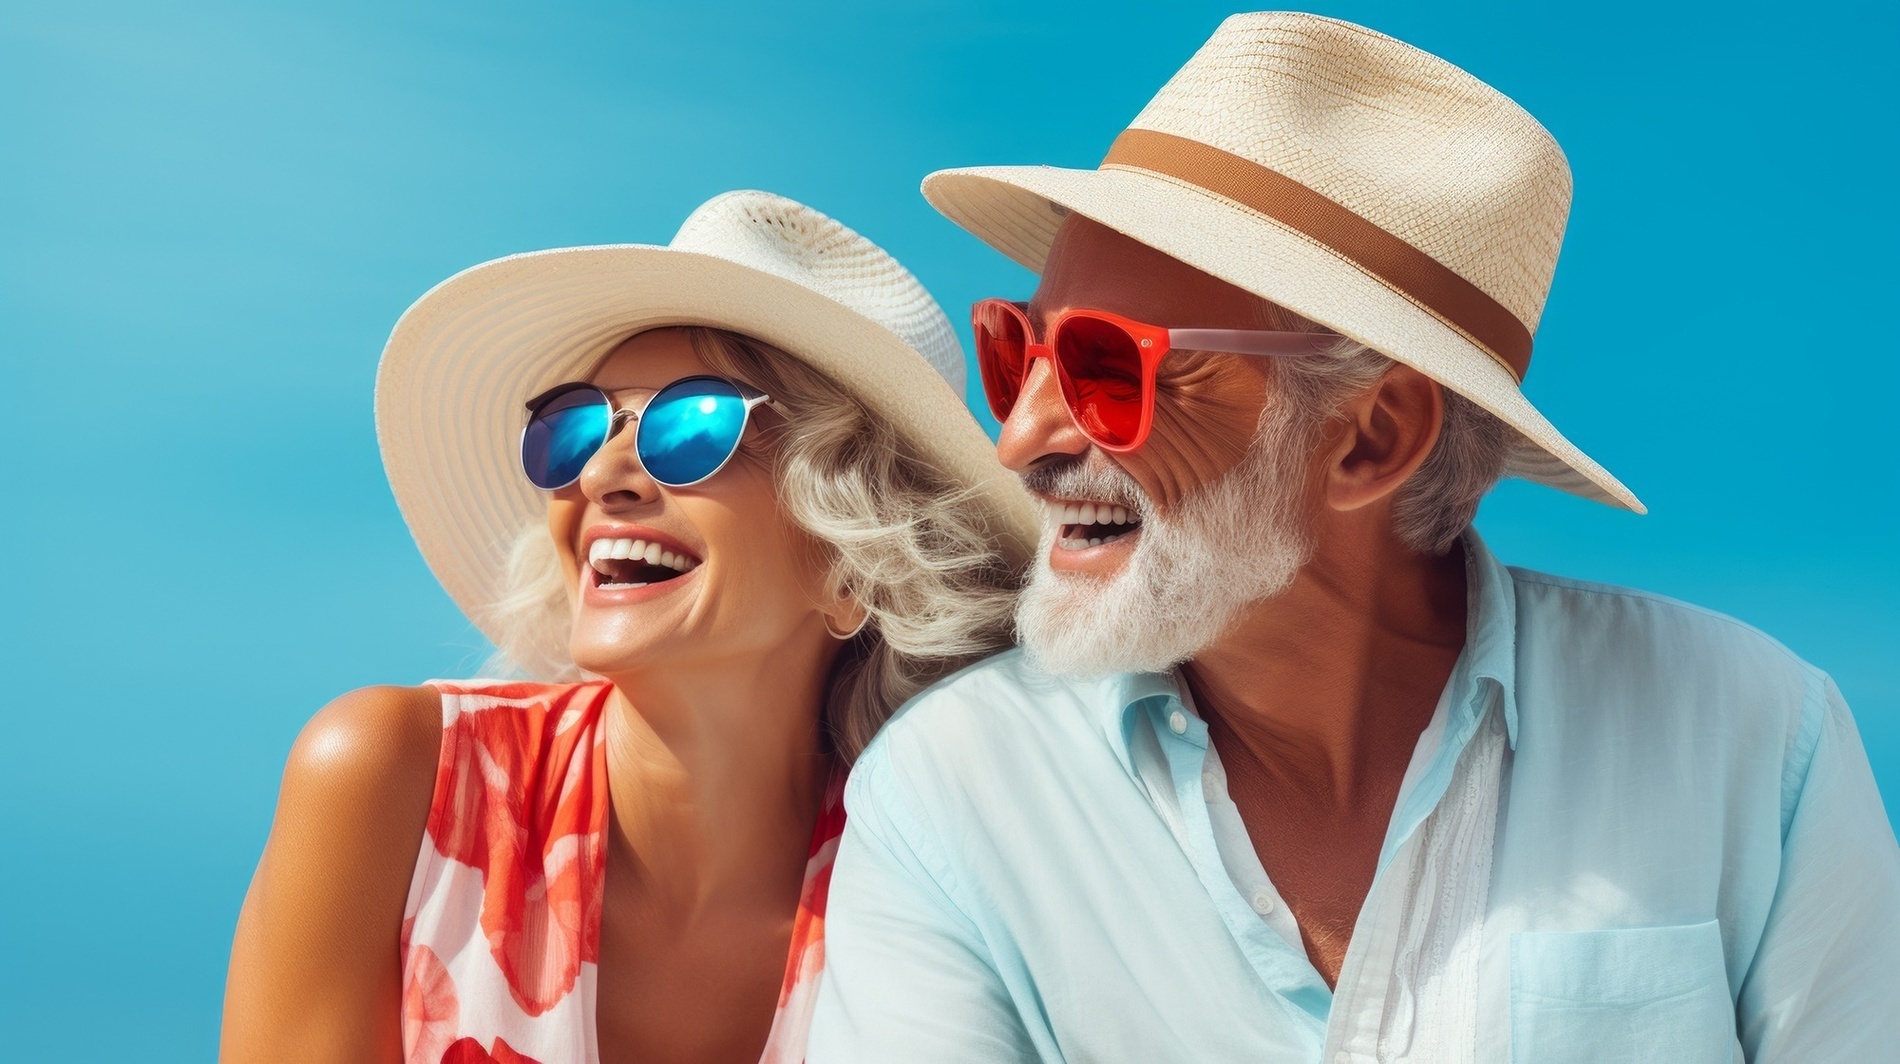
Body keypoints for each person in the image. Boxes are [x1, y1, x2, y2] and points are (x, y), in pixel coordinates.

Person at [809, 13, 1900, 1063]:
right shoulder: (952, 795)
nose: (1022, 439)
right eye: (1019, 351)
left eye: (1108, 367)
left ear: (1370, 436)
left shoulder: (1753, 739)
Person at [220, 190, 1036, 1064]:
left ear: (852, 565)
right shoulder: (390, 779)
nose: (606, 472)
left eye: (694, 426)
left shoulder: (945, 880)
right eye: (574, 430)